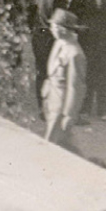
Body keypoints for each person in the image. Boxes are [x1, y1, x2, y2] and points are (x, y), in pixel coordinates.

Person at [43, 9, 86, 149]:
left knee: (52, 143)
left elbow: (75, 87)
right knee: (59, 142)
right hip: (52, 100)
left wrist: (69, 114)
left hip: (61, 107)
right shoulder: (59, 43)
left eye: (55, 26)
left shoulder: (74, 54)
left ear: (64, 29)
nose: (51, 29)